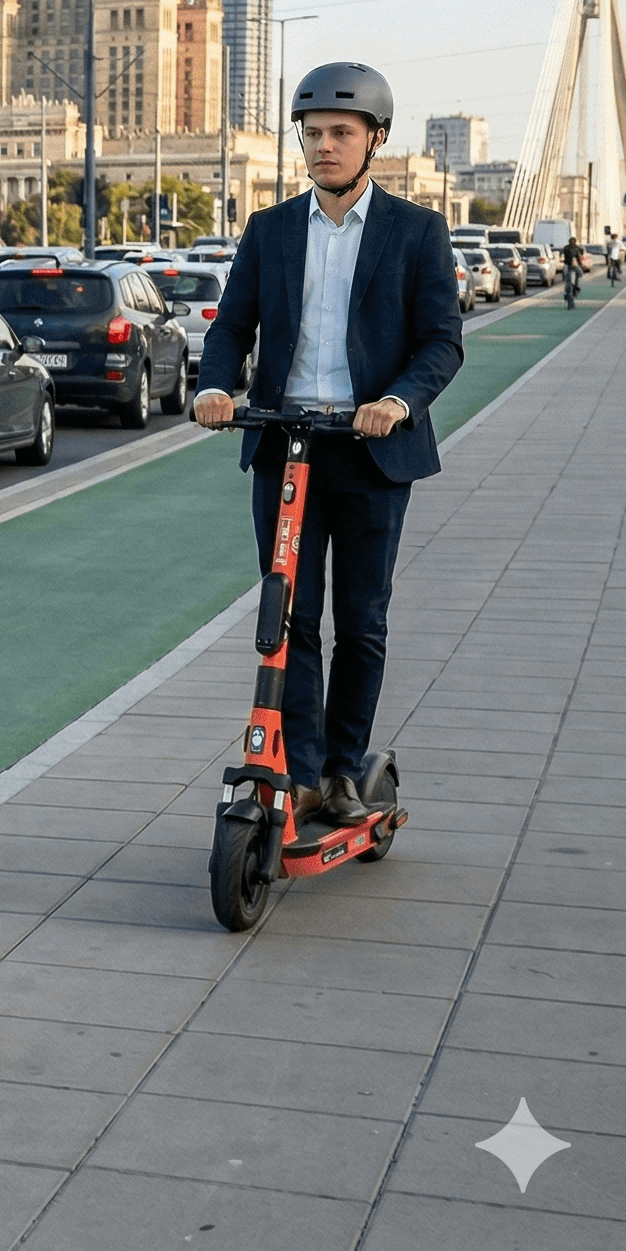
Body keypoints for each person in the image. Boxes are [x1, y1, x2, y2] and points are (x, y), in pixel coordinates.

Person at [194, 61, 463, 832]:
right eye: (312, 133)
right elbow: (231, 326)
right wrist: (216, 387)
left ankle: (345, 769)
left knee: (363, 621)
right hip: (286, 447)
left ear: (375, 140)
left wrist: (395, 402)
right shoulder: (271, 229)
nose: (323, 146)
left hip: (370, 449)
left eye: (340, 133)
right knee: (292, 617)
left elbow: (441, 342)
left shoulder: (415, 231)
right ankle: (306, 773)